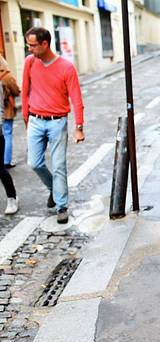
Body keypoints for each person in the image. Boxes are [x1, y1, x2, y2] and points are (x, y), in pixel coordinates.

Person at [22, 27, 85, 224]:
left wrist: (79, 127)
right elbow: (25, 92)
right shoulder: (30, 62)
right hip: (35, 120)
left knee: (59, 165)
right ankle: (53, 188)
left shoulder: (66, 68)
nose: (30, 49)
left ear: (45, 44)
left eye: (33, 45)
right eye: (28, 45)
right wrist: (26, 119)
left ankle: (61, 206)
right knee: (34, 163)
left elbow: (76, 98)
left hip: (57, 122)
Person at [0, 57, 20, 168]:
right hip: (6, 110)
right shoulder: (7, 76)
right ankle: (6, 160)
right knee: (7, 134)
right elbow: (16, 91)